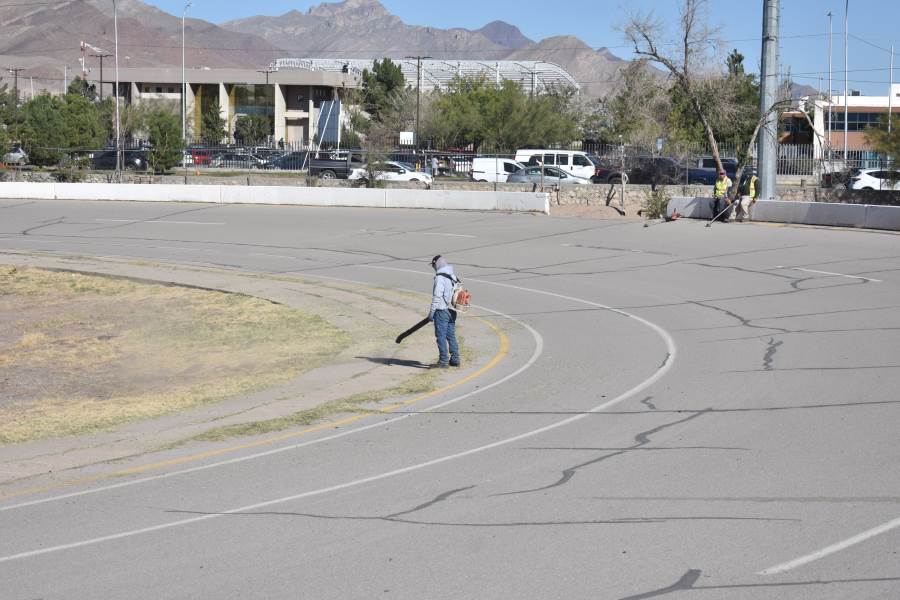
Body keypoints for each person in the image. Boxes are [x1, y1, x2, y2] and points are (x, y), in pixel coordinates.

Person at [428, 255, 460, 368]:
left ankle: (443, 361)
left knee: (440, 336)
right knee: (450, 335)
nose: (433, 267)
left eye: (433, 265)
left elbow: (437, 296)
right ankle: (455, 359)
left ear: (436, 264)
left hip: (441, 311)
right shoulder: (453, 275)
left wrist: (431, 313)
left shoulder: (440, 278)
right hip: (452, 310)